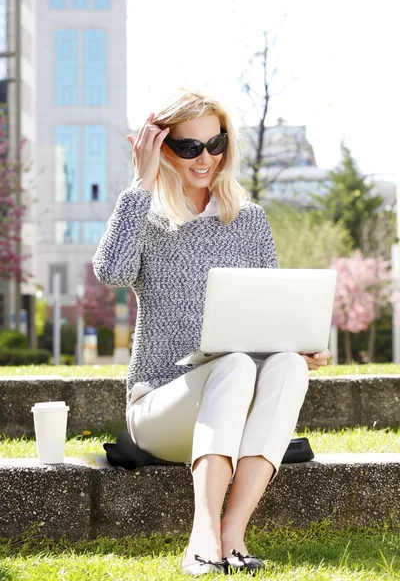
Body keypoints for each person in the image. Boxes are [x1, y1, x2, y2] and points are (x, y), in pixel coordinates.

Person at [92, 89, 331, 576]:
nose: (205, 158)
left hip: (233, 404)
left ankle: (233, 536)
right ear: (163, 149)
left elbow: (271, 312)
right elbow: (111, 271)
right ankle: (200, 538)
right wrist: (140, 183)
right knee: (235, 364)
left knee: (283, 365)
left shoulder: (250, 220)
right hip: (160, 407)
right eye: (188, 147)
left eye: (215, 143)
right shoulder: (147, 217)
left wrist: (295, 344)